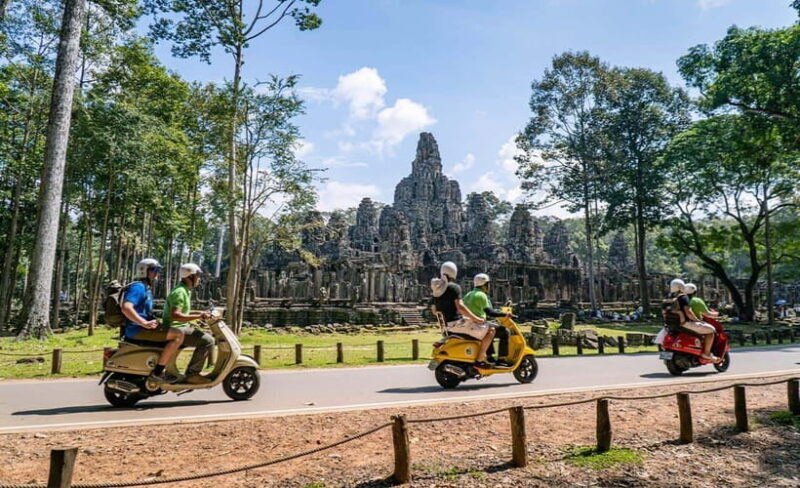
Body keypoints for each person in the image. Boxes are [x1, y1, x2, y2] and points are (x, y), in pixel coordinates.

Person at [121, 258, 184, 384]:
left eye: (158, 270)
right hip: (137, 330)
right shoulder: (138, 287)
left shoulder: (146, 288)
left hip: (141, 328)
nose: (156, 273)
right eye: (154, 270)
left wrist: (153, 321)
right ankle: (158, 372)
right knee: (179, 334)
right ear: (144, 271)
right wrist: (143, 323)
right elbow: (126, 307)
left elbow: (143, 312)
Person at [430, 261, 495, 368]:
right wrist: (476, 319)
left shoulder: (436, 290)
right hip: (457, 325)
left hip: (446, 326)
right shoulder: (454, 287)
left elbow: (434, 310)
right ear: (454, 272)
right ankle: (479, 360)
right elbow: (460, 308)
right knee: (491, 330)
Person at [164, 263, 214, 385]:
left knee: (202, 335)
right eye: (197, 276)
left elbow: (183, 312)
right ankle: (192, 374)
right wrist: (199, 316)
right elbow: (176, 315)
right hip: (175, 328)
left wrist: (200, 312)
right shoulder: (180, 292)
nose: (199, 278)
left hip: (179, 327)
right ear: (189, 277)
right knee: (208, 341)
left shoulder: (185, 290)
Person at [663, 278, 719, 363]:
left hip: (671, 325)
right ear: (680, 287)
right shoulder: (682, 297)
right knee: (711, 331)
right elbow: (688, 312)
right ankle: (706, 353)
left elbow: (664, 312)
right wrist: (697, 320)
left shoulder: (667, 298)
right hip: (684, 323)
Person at [463, 273, 511, 364]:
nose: (489, 287)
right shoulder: (481, 295)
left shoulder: (468, 295)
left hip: (469, 325)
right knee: (505, 332)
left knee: (491, 327)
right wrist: (504, 314)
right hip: (478, 324)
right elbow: (490, 312)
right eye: (488, 284)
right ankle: (501, 359)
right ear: (485, 285)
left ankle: (490, 357)